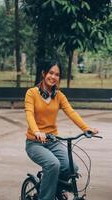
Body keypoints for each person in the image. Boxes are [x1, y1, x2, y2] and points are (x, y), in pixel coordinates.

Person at [25, 58, 98, 200]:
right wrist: (36, 131)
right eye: (51, 73)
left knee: (72, 168)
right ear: (43, 73)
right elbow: (29, 114)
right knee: (53, 164)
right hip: (35, 143)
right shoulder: (31, 93)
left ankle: (56, 189)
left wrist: (86, 129)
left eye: (57, 74)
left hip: (53, 141)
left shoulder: (59, 96)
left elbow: (71, 112)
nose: (53, 77)